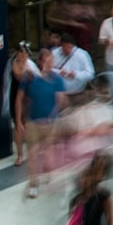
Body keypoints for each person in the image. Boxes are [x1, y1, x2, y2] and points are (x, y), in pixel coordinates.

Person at [16, 48, 67, 198]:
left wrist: (56, 117)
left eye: (51, 62)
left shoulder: (57, 80)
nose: (49, 65)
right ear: (40, 62)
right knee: (32, 155)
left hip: (51, 123)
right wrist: (19, 120)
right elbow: (19, 98)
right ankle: (33, 184)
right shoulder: (29, 78)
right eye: (46, 61)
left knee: (49, 156)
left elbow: (61, 100)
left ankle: (50, 179)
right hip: (33, 123)